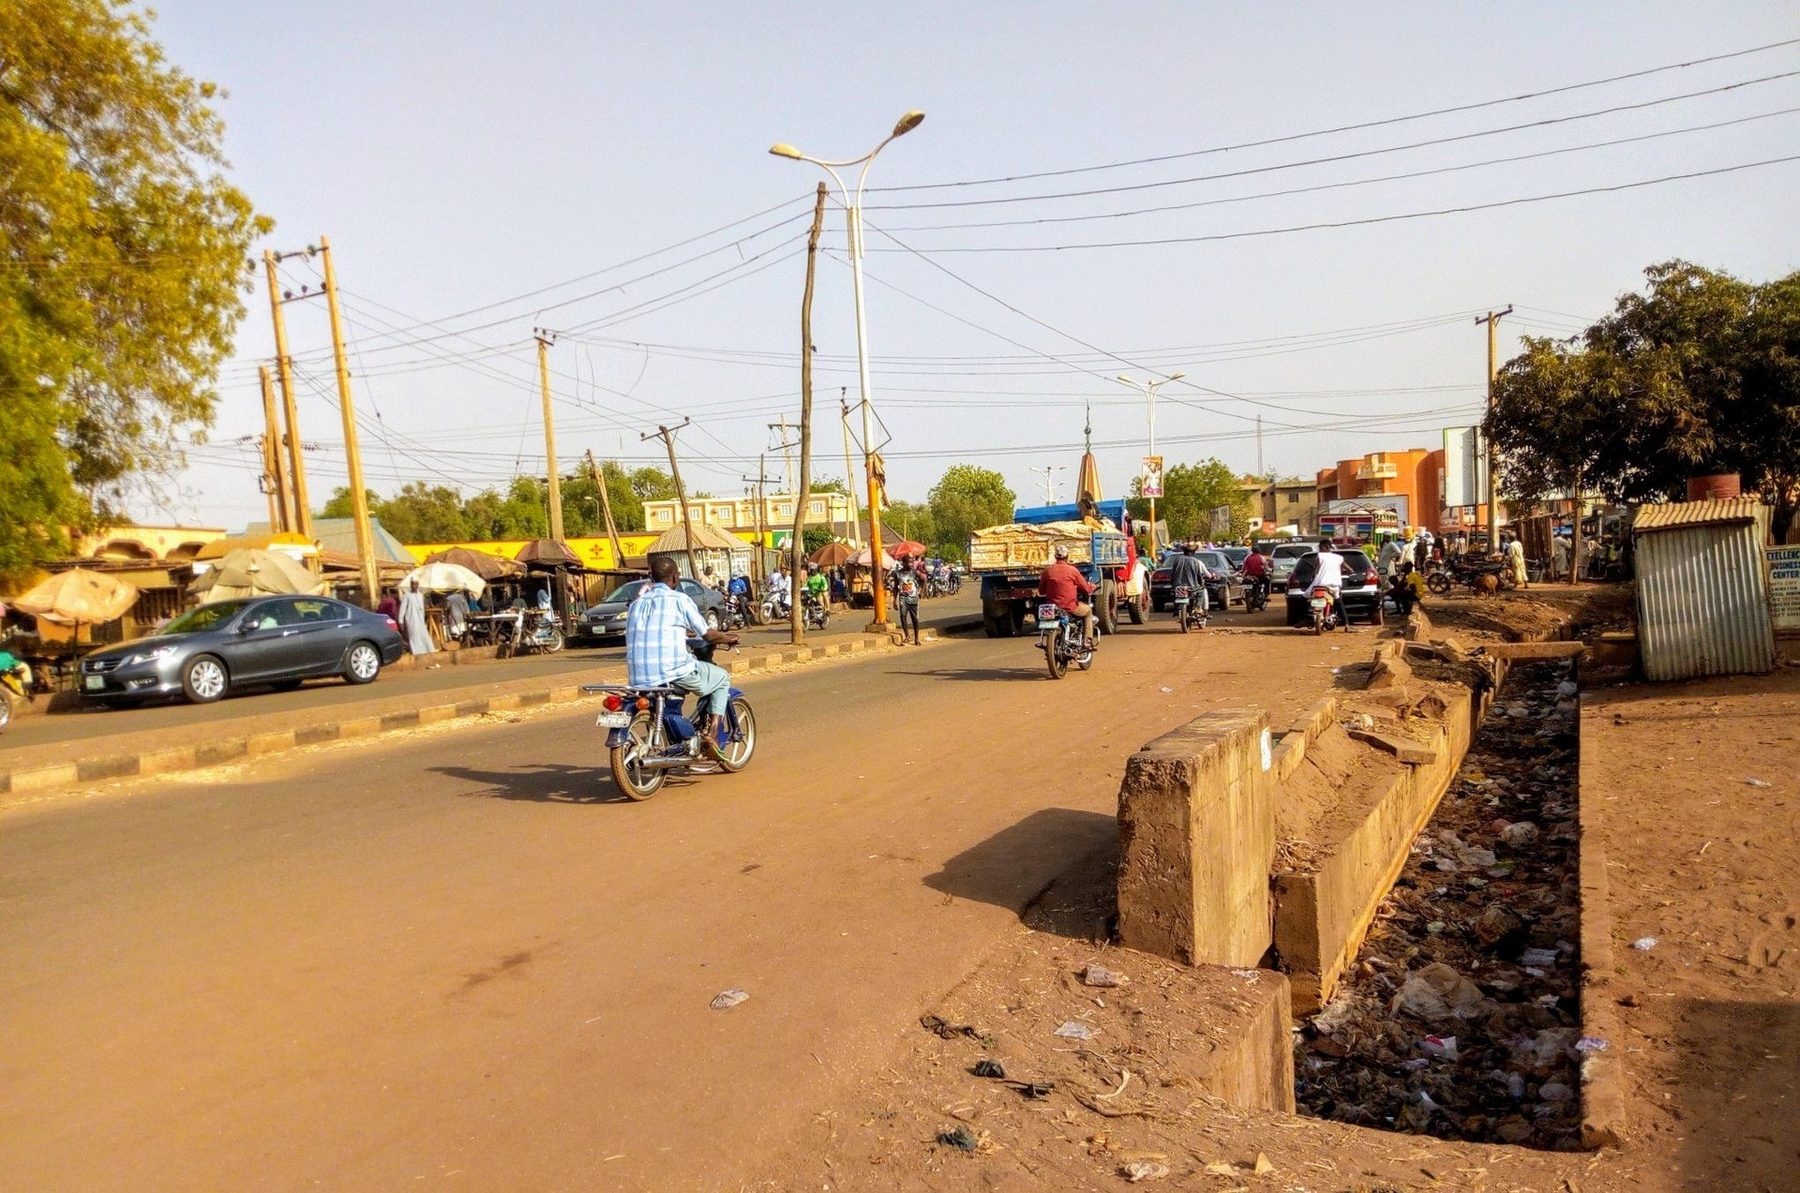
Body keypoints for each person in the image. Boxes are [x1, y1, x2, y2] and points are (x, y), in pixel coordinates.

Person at [626, 556, 740, 756]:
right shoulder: (679, 599)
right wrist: (727, 637)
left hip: (638, 677)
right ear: (674, 578)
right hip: (672, 671)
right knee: (721, 678)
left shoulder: (637, 603)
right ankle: (712, 736)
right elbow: (706, 633)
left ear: (652, 577)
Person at [1038, 543, 1096, 648]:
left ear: (1055, 557)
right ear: (1067, 557)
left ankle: (1043, 638)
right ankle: (1087, 640)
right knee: (1088, 611)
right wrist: (1092, 587)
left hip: (1052, 608)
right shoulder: (1073, 570)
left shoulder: (1047, 571)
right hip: (1070, 607)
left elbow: (1041, 591)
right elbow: (1086, 589)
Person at [1168, 542, 1208, 625]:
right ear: (1193, 552)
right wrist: (1201, 584)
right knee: (1200, 592)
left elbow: (1173, 573)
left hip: (1177, 586)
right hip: (1192, 587)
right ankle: (1197, 608)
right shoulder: (1195, 561)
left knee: (1173, 594)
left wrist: (1172, 583)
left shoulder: (1177, 560)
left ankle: (1176, 609)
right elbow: (1198, 575)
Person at [1312, 542, 1349, 629]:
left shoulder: (1319, 556)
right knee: (1339, 602)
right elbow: (1349, 569)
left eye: (1321, 548)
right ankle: (1346, 623)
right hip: (1333, 586)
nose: (1320, 550)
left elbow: (1315, 570)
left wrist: (1313, 574)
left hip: (1319, 584)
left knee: (1306, 597)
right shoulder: (1339, 558)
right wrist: (1350, 572)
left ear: (1326, 547)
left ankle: (1305, 618)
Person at [890, 553, 924, 644]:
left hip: (913, 598)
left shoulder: (914, 572)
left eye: (912, 563)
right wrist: (894, 600)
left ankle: (917, 638)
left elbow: (924, 579)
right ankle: (907, 636)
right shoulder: (898, 573)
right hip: (903, 598)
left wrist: (921, 591)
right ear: (903, 563)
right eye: (909, 563)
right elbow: (895, 588)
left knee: (915, 619)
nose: (911, 565)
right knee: (903, 616)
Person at [397, 579, 437, 658]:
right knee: (414, 636)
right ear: (410, 585)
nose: (414, 586)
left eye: (415, 584)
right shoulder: (407, 595)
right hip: (411, 620)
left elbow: (422, 609)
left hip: (420, 620)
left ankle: (428, 651)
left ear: (418, 585)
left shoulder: (420, 595)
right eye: (412, 584)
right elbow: (402, 609)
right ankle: (417, 654)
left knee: (424, 635)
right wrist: (400, 621)